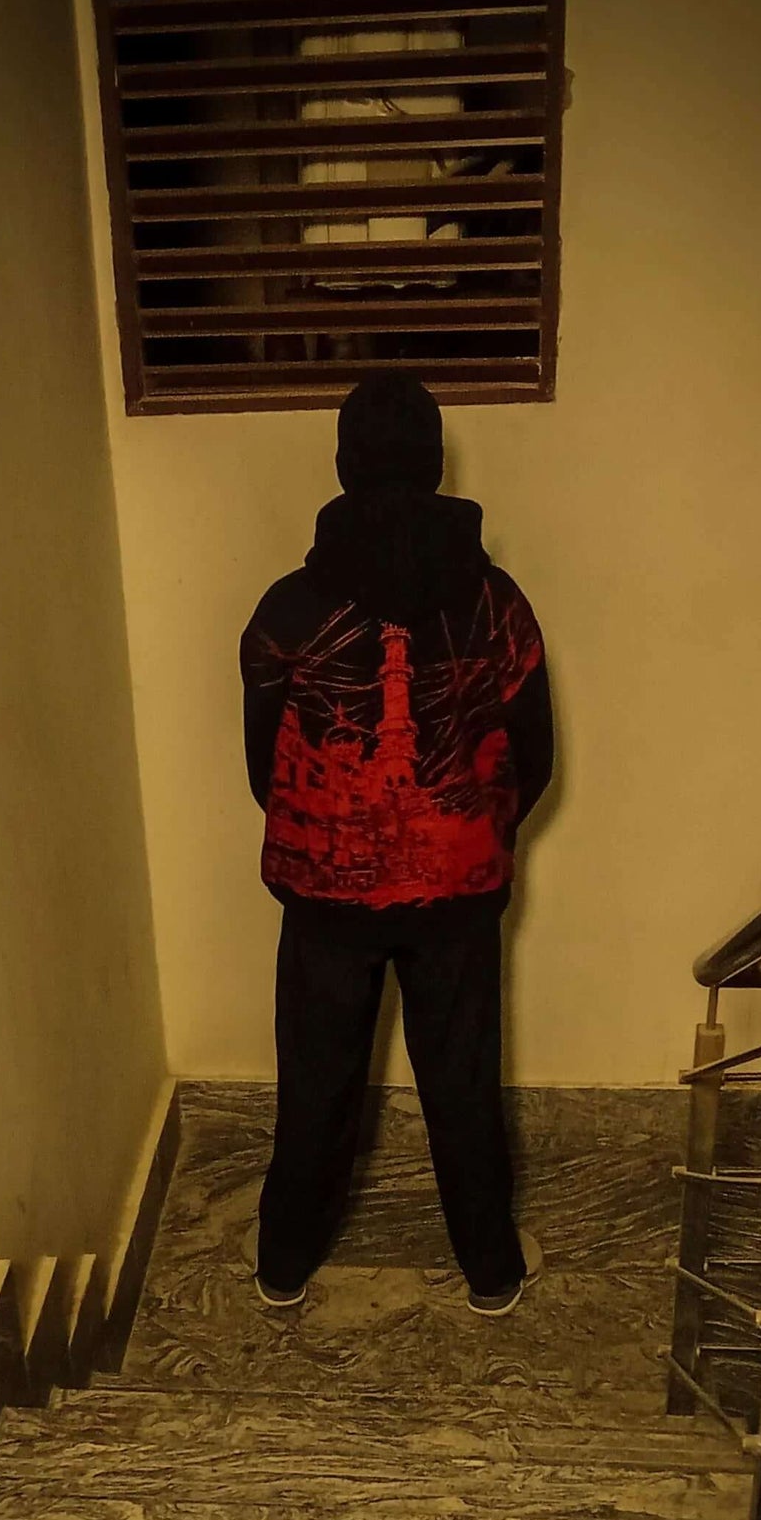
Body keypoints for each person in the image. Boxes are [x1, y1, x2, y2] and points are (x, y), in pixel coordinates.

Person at [239, 370, 554, 1317]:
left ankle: (283, 1268)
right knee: (460, 1083)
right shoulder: (498, 601)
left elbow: (263, 766)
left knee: (315, 1080)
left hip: (323, 894)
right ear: (433, 463)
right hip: (456, 887)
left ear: (342, 466)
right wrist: (467, 833)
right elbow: (534, 755)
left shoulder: (285, 608)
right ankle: (491, 1270)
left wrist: (328, 834)